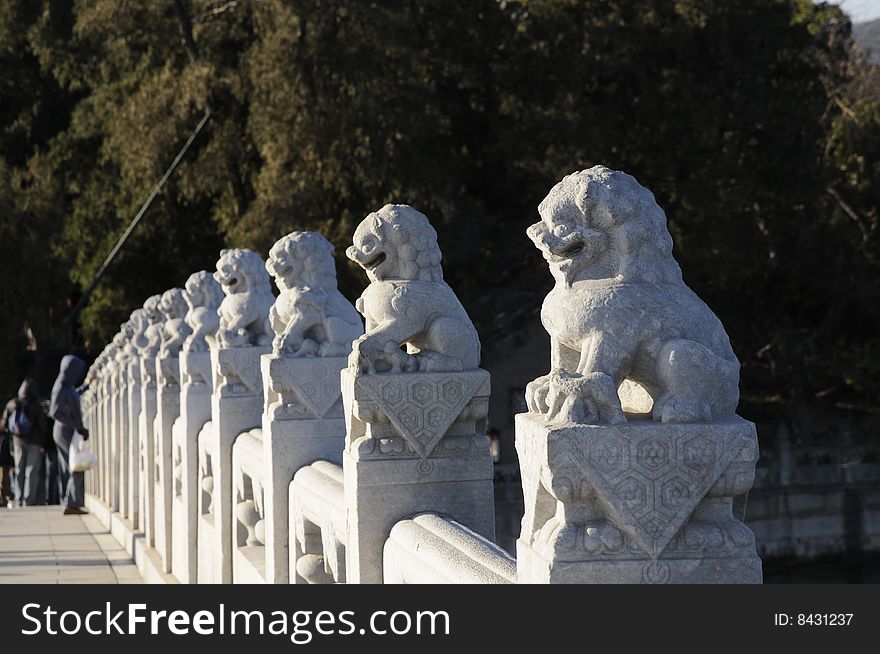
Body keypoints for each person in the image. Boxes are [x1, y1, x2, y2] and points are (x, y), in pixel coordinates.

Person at [49, 355, 89, 515]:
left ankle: (69, 502)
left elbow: (74, 396)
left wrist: (87, 386)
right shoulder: (60, 387)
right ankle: (71, 503)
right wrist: (77, 425)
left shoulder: (66, 386)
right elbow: (55, 412)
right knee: (76, 466)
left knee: (70, 467)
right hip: (64, 432)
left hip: (67, 431)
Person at [2, 378, 50, 506]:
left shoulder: (12, 403)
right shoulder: (36, 404)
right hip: (34, 441)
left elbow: (5, 422)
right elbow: (42, 426)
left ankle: (18, 498)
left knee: (19, 470)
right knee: (32, 471)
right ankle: (28, 500)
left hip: (17, 441)